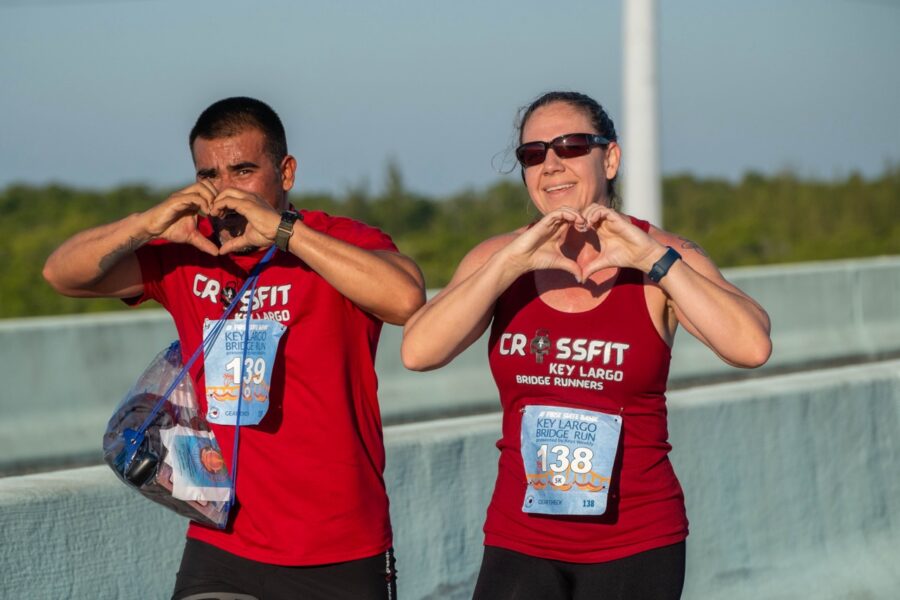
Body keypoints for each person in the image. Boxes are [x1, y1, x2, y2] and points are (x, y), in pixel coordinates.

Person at [43, 96, 425, 600]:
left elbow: (406, 299)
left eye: (243, 170)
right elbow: (62, 274)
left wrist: (286, 234)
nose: (226, 191)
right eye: (210, 175)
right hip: (223, 542)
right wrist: (148, 223)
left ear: (285, 172)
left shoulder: (336, 240)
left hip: (339, 546)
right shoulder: (188, 250)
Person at [401, 91, 772, 599]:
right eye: (533, 154)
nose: (552, 163)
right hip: (520, 540)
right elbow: (418, 351)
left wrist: (651, 257)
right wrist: (510, 264)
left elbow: (751, 344)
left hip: (636, 543)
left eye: (571, 146)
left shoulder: (662, 257)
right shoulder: (500, 258)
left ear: (611, 158)